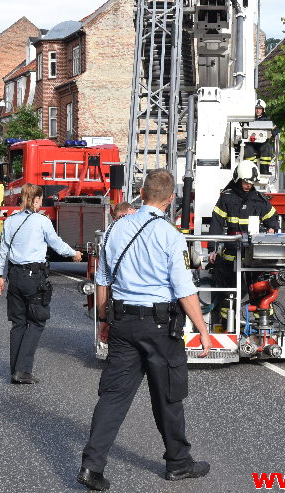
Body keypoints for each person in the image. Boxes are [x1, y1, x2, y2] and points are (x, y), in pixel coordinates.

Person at [77, 169, 212, 491]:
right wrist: (203, 329)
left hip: (123, 322)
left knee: (113, 397)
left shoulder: (114, 230)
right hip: (159, 326)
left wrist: (105, 321)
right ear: (171, 198)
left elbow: (102, 281)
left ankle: (91, 466)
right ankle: (178, 464)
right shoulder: (169, 235)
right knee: (168, 396)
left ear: (140, 191)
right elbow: (183, 288)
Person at [0, 183, 83, 384]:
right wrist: (74, 253)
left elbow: (3, 250)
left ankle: (14, 369)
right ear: (35, 200)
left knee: (18, 323)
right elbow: (56, 243)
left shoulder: (10, 221)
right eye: (40, 199)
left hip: (14, 275)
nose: (41, 203)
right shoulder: (41, 221)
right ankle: (22, 371)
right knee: (36, 321)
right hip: (33, 277)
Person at [208, 160, 279, 288]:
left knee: (258, 289)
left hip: (254, 253)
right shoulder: (226, 198)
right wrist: (212, 249)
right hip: (231, 252)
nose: (249, 185)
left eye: (251, 183)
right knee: (229, 289)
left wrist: (272, 228)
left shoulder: (258, 199)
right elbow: (216, 223)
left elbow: (272, 217)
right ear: (238, 179)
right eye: (246, 182)